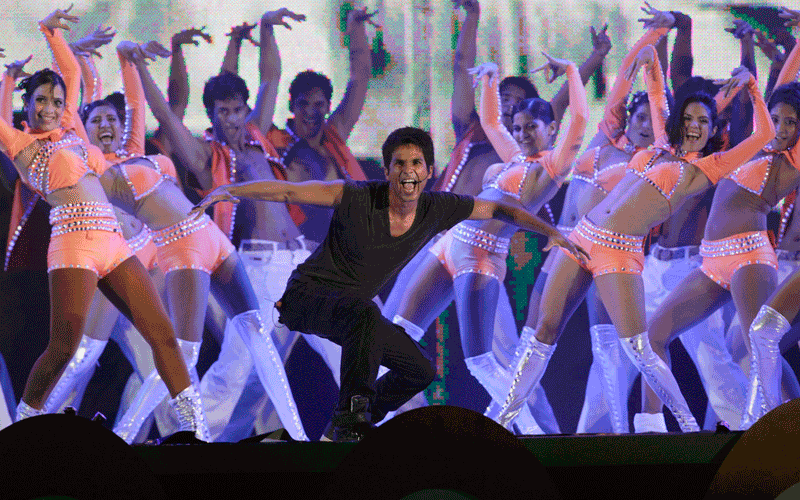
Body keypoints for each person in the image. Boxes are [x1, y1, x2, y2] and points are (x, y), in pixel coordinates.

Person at [192, 126, 587, 441]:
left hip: (350, 308)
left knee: (418, 371)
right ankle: (349, 428)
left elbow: (501, 207)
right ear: (387, 171)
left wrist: (550, 232)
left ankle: (346, 427)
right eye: (399, 164)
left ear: (428, 173)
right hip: (307, 297)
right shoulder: (358, 196)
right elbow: (288, 190)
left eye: (416, 164)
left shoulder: (438, 209)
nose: (408, 172)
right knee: (365, 321)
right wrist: (230, 190)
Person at [489, 36, 775, 433]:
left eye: (703, 122)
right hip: (581, 237)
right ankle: (500, 420)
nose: (694, 126)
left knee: (638, 346)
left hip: (618, 253)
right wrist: (648, 49)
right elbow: (654, 83)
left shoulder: (705, 169)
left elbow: (763, 137)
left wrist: (753, 88)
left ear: (712, 131)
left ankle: (688, 427)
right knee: (543, 332)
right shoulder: (658, 144)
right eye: (688, 118)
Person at [0, 7, 207, 439]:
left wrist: (51, 32)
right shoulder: (21, 143)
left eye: (57, 101)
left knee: (163, 336)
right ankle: (23, 426)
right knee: (63, 347)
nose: (52, 107)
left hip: (113, 242)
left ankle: (198, 432)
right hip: (72, 244)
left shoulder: (74, 131)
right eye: (41, 100)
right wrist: (7, 79)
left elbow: (72, 72)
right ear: (27, 104)